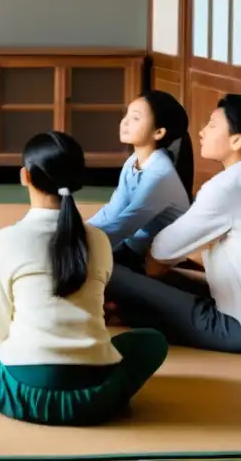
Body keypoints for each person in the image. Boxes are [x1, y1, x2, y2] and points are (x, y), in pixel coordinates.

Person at [0, 131, 167, 426]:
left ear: (25, 176)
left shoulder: (6, 239)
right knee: (152, 341)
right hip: (97, 395)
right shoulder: (99, 240)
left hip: (25, 392)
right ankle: (112, 396)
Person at [105, 95, 241, 353]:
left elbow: (161, 251)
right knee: (158, 282)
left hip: (233, 326)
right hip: (229, 300)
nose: (201, 132)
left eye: (212, 125)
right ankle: (120, 309)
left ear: (237, 140)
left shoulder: (223, 187)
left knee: (111, 271)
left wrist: (160, 266)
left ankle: (116, 308)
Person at [87, 90, 193, 271]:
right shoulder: (132, 162)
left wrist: (76, 243)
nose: (125, 122)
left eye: (135, 118)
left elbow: (124, 226)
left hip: (162, 260)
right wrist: (79, 230)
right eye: (126, 115)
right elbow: (112, 212)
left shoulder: (159, 175)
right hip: (137, 247)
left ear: (158, 132)